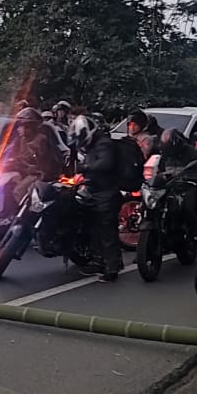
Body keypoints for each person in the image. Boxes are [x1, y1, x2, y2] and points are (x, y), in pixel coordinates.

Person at [78, 114, 123, 282]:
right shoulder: (93, 145)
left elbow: (106, 163)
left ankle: (112, 268)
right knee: (92, 227)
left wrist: (85, 167)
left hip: (106, 192)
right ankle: (98, 261)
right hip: (94, 190)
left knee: (106, 230)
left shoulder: (104, 144)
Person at [4, 107, 64, 215]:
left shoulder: (41, 141)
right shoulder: (21, 139)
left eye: (21, 126)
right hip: (24, 171)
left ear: (29, 127)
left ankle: (20, 216)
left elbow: (44, 166)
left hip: (40, 175)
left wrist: (30, 167)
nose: (18, 129)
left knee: (19, 191)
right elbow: (9, 153)